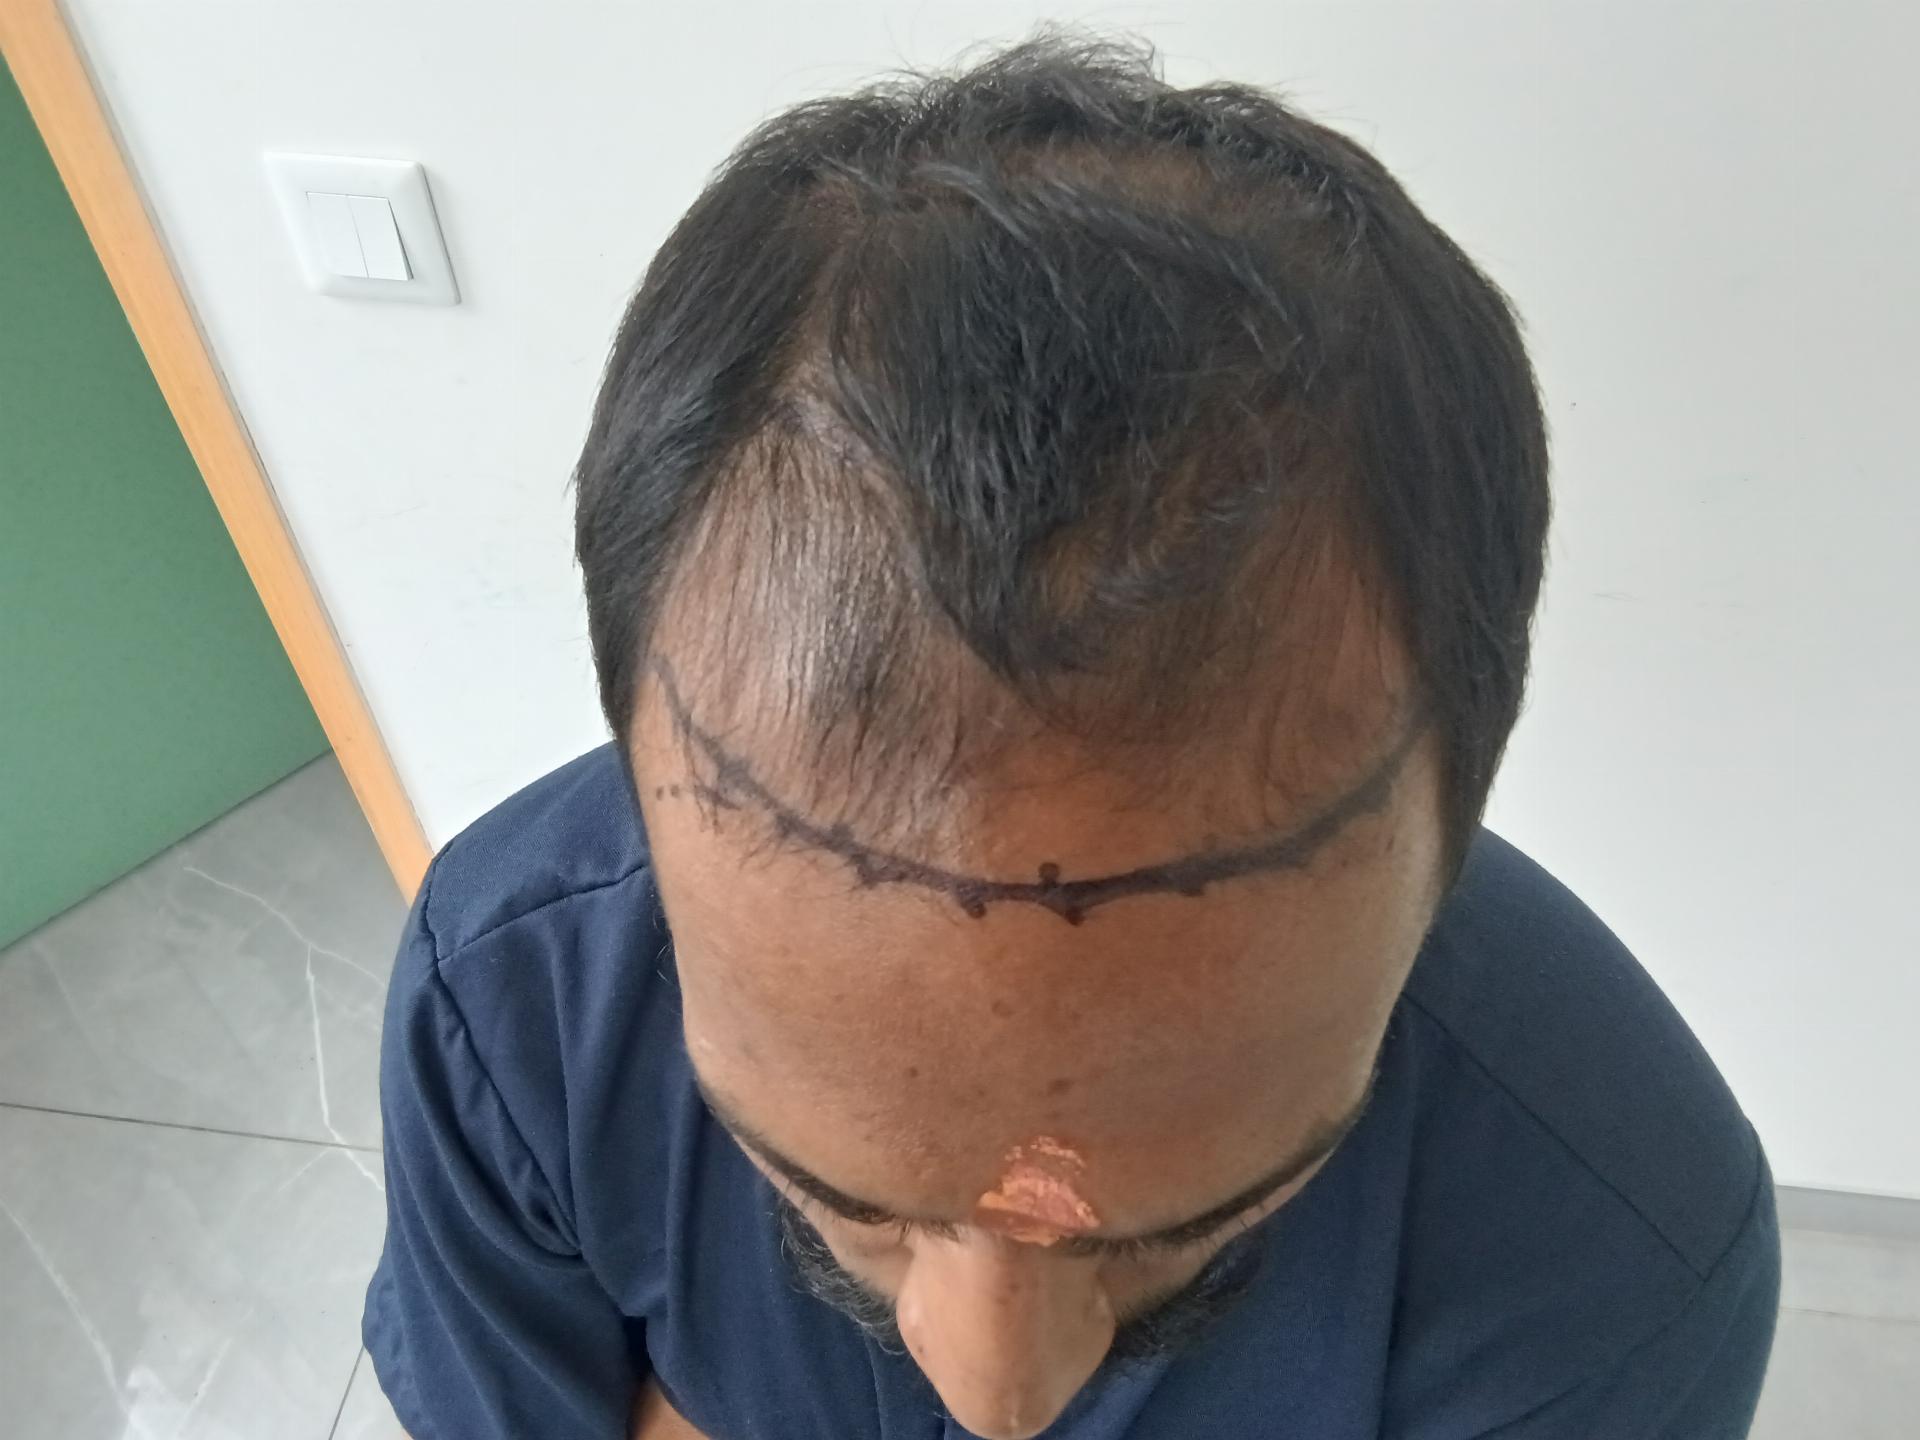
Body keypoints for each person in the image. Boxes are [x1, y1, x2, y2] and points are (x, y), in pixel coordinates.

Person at [362, 30, 1779, 1440]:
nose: (1000, 1397)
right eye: (838, 1199)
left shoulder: (1618, 1257)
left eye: (1187, 1223)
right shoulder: (510, 1005)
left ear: (1450, 838)